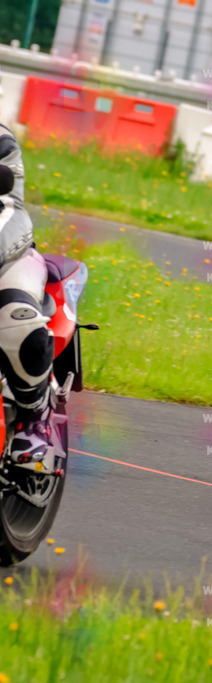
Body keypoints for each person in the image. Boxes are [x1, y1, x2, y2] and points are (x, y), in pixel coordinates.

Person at [0, 123, 55, 464]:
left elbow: (10, 212)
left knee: (17, 319)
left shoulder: (2, 142)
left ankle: (34, 419)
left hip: (10, 254)